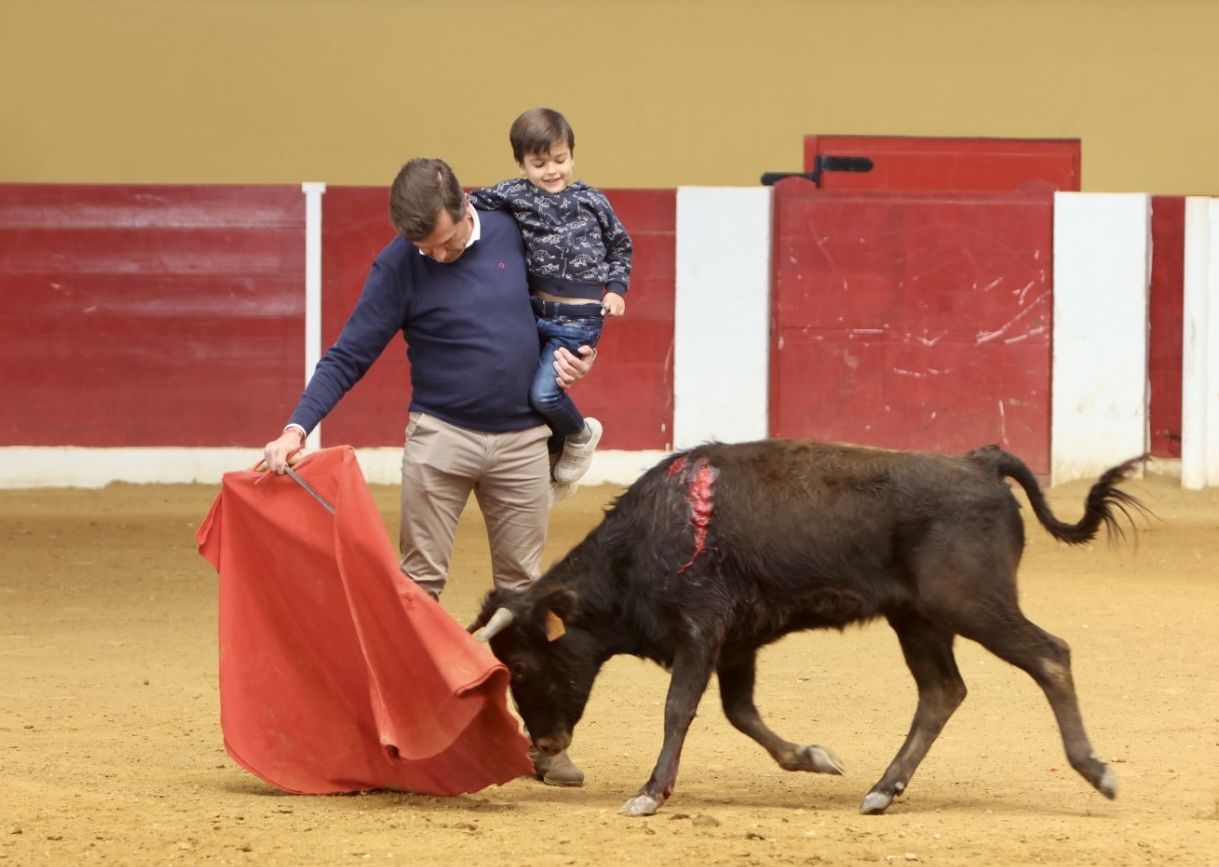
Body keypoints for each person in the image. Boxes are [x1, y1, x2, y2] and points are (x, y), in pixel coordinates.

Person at [262, 156, 592, 786]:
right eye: (424, 247)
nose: (436, 257)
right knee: (418, 589)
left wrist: (579, 353)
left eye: (443, 242)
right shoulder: (399, 264)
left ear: (465, 207)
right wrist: (296, 427)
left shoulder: (511, 227)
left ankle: (545, 742)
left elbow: (567, 302)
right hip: (439, 439)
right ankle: (417, 737)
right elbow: (349, 354)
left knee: (525, 595)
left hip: (524, 442)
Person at [469, 107, 633, 497]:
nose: (552, 171)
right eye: (539, 163)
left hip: (579, 318)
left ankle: (580, 434)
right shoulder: (513, 193)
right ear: (521, 163)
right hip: (535, 313)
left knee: (543, 393)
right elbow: (469, 204)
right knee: (521, 393)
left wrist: (615, 289)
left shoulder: (591, 199)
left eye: (560, 160)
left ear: (572, 155)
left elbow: (620, 245)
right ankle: (553, 462)